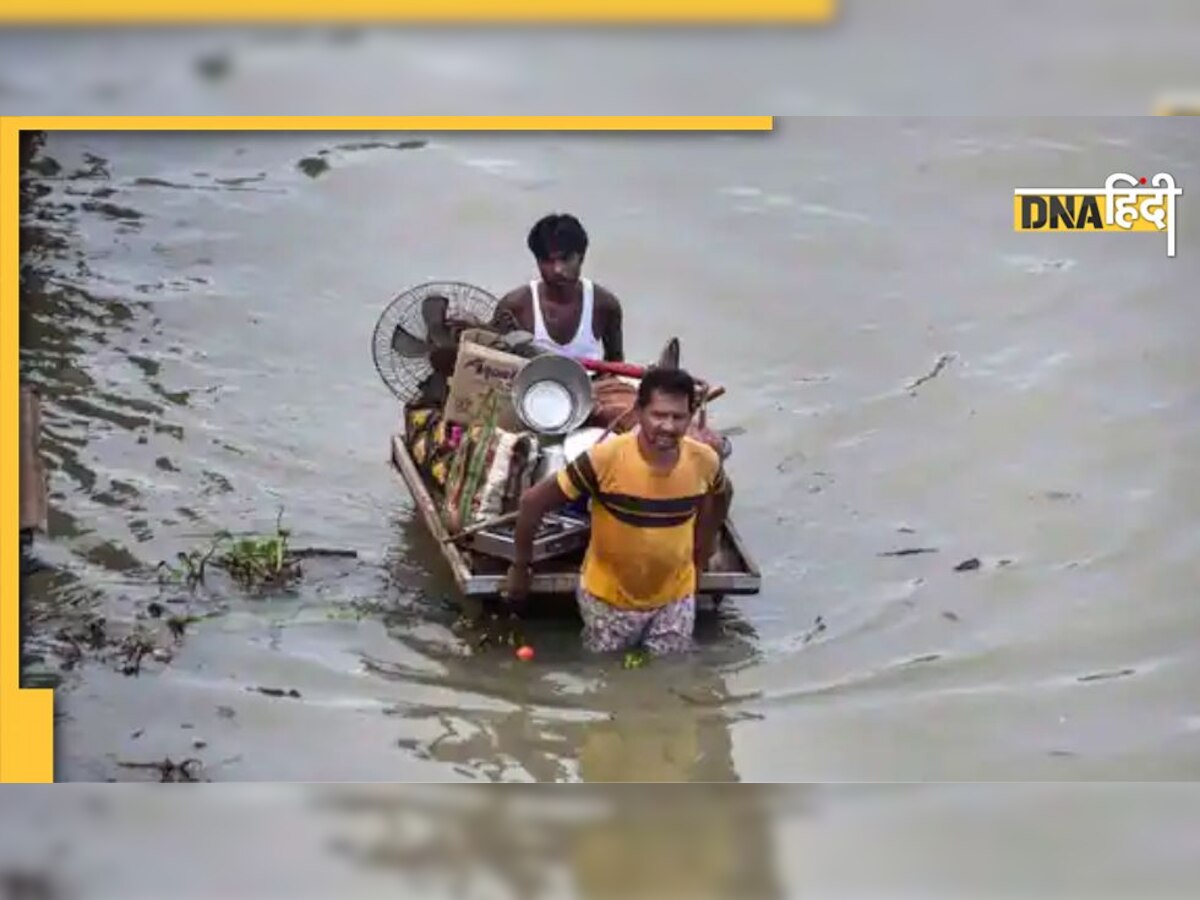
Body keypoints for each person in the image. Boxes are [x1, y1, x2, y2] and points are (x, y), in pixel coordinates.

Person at [504, 367, 730, 656]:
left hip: (674, 598)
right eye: (658, 415)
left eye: (678, 417)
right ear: (638, 412)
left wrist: (700, 556)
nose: (668, 427)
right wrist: (521, 567)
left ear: (689, 417)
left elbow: (721, 497)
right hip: (608, 601)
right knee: (606, 680)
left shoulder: (704, 461)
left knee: (670, 680)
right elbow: (532, 503)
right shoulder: (605, 458)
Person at [492, 213, 625, 363]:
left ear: (581, 257)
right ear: (537, 261)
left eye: (565, 259)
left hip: (589, 385)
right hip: (532, 384)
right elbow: (491, 362)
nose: (558, 270)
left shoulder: (605, 305)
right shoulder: (514, 306)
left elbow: (616, 365)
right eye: (548, 261)